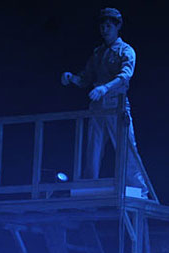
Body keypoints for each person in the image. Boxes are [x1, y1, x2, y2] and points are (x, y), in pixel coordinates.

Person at [61, 7, 149, 196]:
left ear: (117, 26)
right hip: (98, 106)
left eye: (109, 25)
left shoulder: (126, 50)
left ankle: (140, 192)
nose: (105, 29)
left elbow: (125, 76)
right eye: (102, 25)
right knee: (93, 150)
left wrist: (104, 88)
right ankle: (89, 190)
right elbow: (86, 78)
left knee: (126, 149)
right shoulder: (98, 53)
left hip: (116, 104)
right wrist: (72, 78)